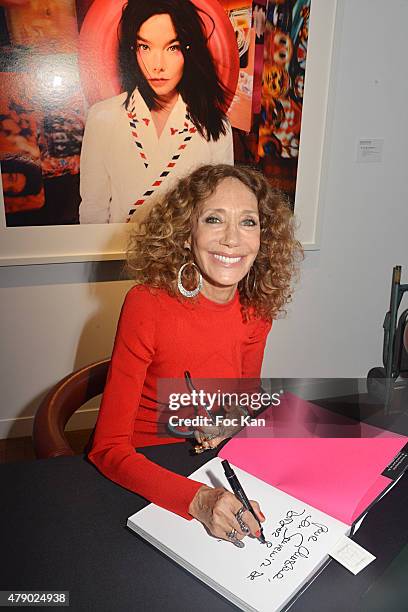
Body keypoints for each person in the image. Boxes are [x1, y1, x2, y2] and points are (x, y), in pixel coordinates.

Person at [88, 164, 302, 544]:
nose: (233, 239)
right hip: (145, 469)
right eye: (214, 219)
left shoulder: (256, 308)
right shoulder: (147, 304)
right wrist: (199, 500)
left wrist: (230, 420)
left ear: (263, 237)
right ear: (187, 233)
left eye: (248, 222)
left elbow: (243, 400)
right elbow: (107, 449)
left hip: (211, 463)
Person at [79, 0, 234, 224]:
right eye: (145, 47)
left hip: (186, 255)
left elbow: (218, 211)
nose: (157, 65)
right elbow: (93, 210)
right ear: (132, 50)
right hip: (120, 254)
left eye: (173, 48)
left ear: (189, 51)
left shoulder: (215, 125)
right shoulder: (103, 117)